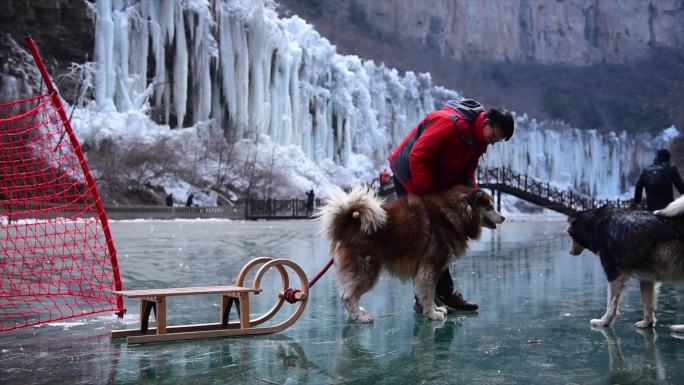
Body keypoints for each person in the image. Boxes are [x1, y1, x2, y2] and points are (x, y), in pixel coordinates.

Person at [388, 98, 514, 312]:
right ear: (487, 122)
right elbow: (418, 156)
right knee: (426, 237)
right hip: (409, 174)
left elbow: (466, 175)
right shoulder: (448, 123)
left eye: (498, 141)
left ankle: (444, 293)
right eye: (495, 136)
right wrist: (426, 197)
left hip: (433, 179)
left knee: (441, 239)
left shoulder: (477, 142)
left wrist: (474, 196)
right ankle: (424, 299)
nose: (493, 142)